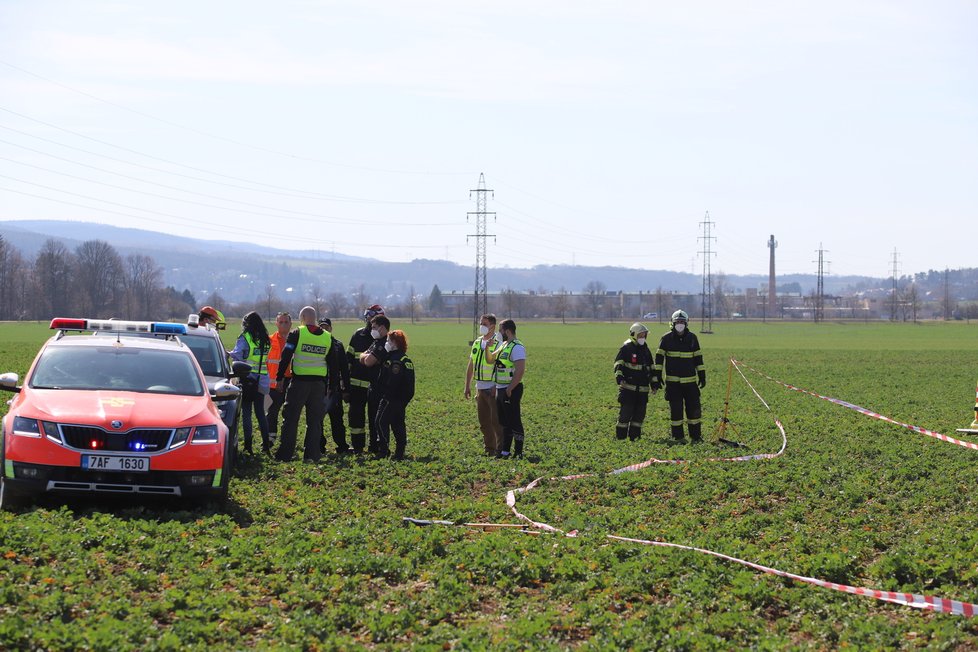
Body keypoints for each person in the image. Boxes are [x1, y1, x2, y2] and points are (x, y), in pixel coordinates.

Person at [274, 306, 337, 463]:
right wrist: (332, 385)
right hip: (319, 385)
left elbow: (286, 355)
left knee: (290, 419)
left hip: (299, 383)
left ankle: (285, 455)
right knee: (315, 421)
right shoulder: (327, 337)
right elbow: (333, 364)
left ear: (302, 317)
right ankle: (312, 455)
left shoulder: (297, 333)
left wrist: (280, 377)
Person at [652, 310, 706, 442]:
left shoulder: (692, 338)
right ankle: (678, 437)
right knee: (676, 412)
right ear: (672, 323)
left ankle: (696, 436)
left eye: (682, 322)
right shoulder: (666, 339)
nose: (680, 324)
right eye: (678, 322)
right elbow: (659, 359)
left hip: (690, 384)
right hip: (673, 384)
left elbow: (698, 358)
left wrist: (702, 375)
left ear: (686, 323)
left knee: (694, 411)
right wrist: (657, 376)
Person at [229, 311, 272, 454]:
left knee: (246, 413)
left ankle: (248, 446)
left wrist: (228, 354)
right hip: (263, 380)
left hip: (248, 380)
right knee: (260, 412)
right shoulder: (266, 339)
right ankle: (266, 445)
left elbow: (237, 355)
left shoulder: (245, 337)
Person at [346, 305, 385, 454]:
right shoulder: (358, 335)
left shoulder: (385, 340)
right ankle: (357, 447)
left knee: (376, 418)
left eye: (371, 318)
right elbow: (348, 359)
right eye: (368, 317)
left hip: (376, 387)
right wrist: (344, 384)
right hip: (356, 387)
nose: (368, 320)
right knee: (356, 419)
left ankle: (375, 447)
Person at [486, 319, 526, 458]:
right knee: (504, 422)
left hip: (511, 389)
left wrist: (510, 388)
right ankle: (505, 451)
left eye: (500, 330)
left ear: (507, 331)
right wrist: (487, 348)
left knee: (514, 420)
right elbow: (490, 359)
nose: (499, 333)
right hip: (500, 388)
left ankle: (519, 452)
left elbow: (520, 370)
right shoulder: (504, 345)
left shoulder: (517, 347)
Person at [464, 313, 503, 456]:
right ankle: (489, 449)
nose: (482, 326)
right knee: (484, 423)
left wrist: (495, 385)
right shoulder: (477, 342)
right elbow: (471, 364)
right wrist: (467, 385)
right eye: (481, 323)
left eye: (484, 324)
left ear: (493, 326)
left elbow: (500, 366)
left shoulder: (498, 343)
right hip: (479, 389)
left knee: (496, 422)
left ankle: (500, 449)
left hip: (492, 389)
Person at [374, 330, 415, 460]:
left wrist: (385, 394)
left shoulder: (395, 361)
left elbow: (393, 381)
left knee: (380, 422)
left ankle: (384, 450)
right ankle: (399, 453)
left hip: (391, 398)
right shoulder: (405, 359)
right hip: (401, 400)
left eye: (388, 341)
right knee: (398, 424)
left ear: (395, 343)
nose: (386, 343)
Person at [614, 322, 655, 441]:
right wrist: (620, 378)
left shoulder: (646, 350)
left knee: (639, 416)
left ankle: (635, 438)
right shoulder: (626, 348)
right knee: (625, 415)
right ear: (634, 334)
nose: (643, 337)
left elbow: (651, 368)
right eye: (641, 335)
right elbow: (618, 364)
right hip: (628, 390)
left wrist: (654, 383)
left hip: (642, 390)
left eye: (645, 335)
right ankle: (621, 438)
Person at [318, 317, 351, 454]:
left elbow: (344, 369)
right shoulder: (316, 343)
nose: (324, 329)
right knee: (317, 420)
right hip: (319, 388)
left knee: (337, 420)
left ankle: (342, 446)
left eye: (327, 327)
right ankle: (320, 446)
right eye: (321, 327)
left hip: (334, 389)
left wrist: (346, 389)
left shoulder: (338, 345)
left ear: (331, 328)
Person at [359, 314, 391, 454]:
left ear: (382, 328)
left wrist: (366, 357)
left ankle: (382, 448)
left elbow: (368, 361)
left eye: (374, 327)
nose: (372, 330)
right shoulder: (376, 342)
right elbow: (363, 356)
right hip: (373, 386)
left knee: (379, 420)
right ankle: (374, 447)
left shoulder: (385, 343)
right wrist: (365, 356)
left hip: (381, 388)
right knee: (372, 419)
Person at [265, 311, 293, 444]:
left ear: (291, 323)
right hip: (273, 383)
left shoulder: (296, 339)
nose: (283, 324)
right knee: (272, 412)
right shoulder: (269, 341)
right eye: (280, 322)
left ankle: (287, 439)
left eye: (286, 322)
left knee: (289, 413)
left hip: (291, 381)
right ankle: (270, 438)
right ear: (276, 323)